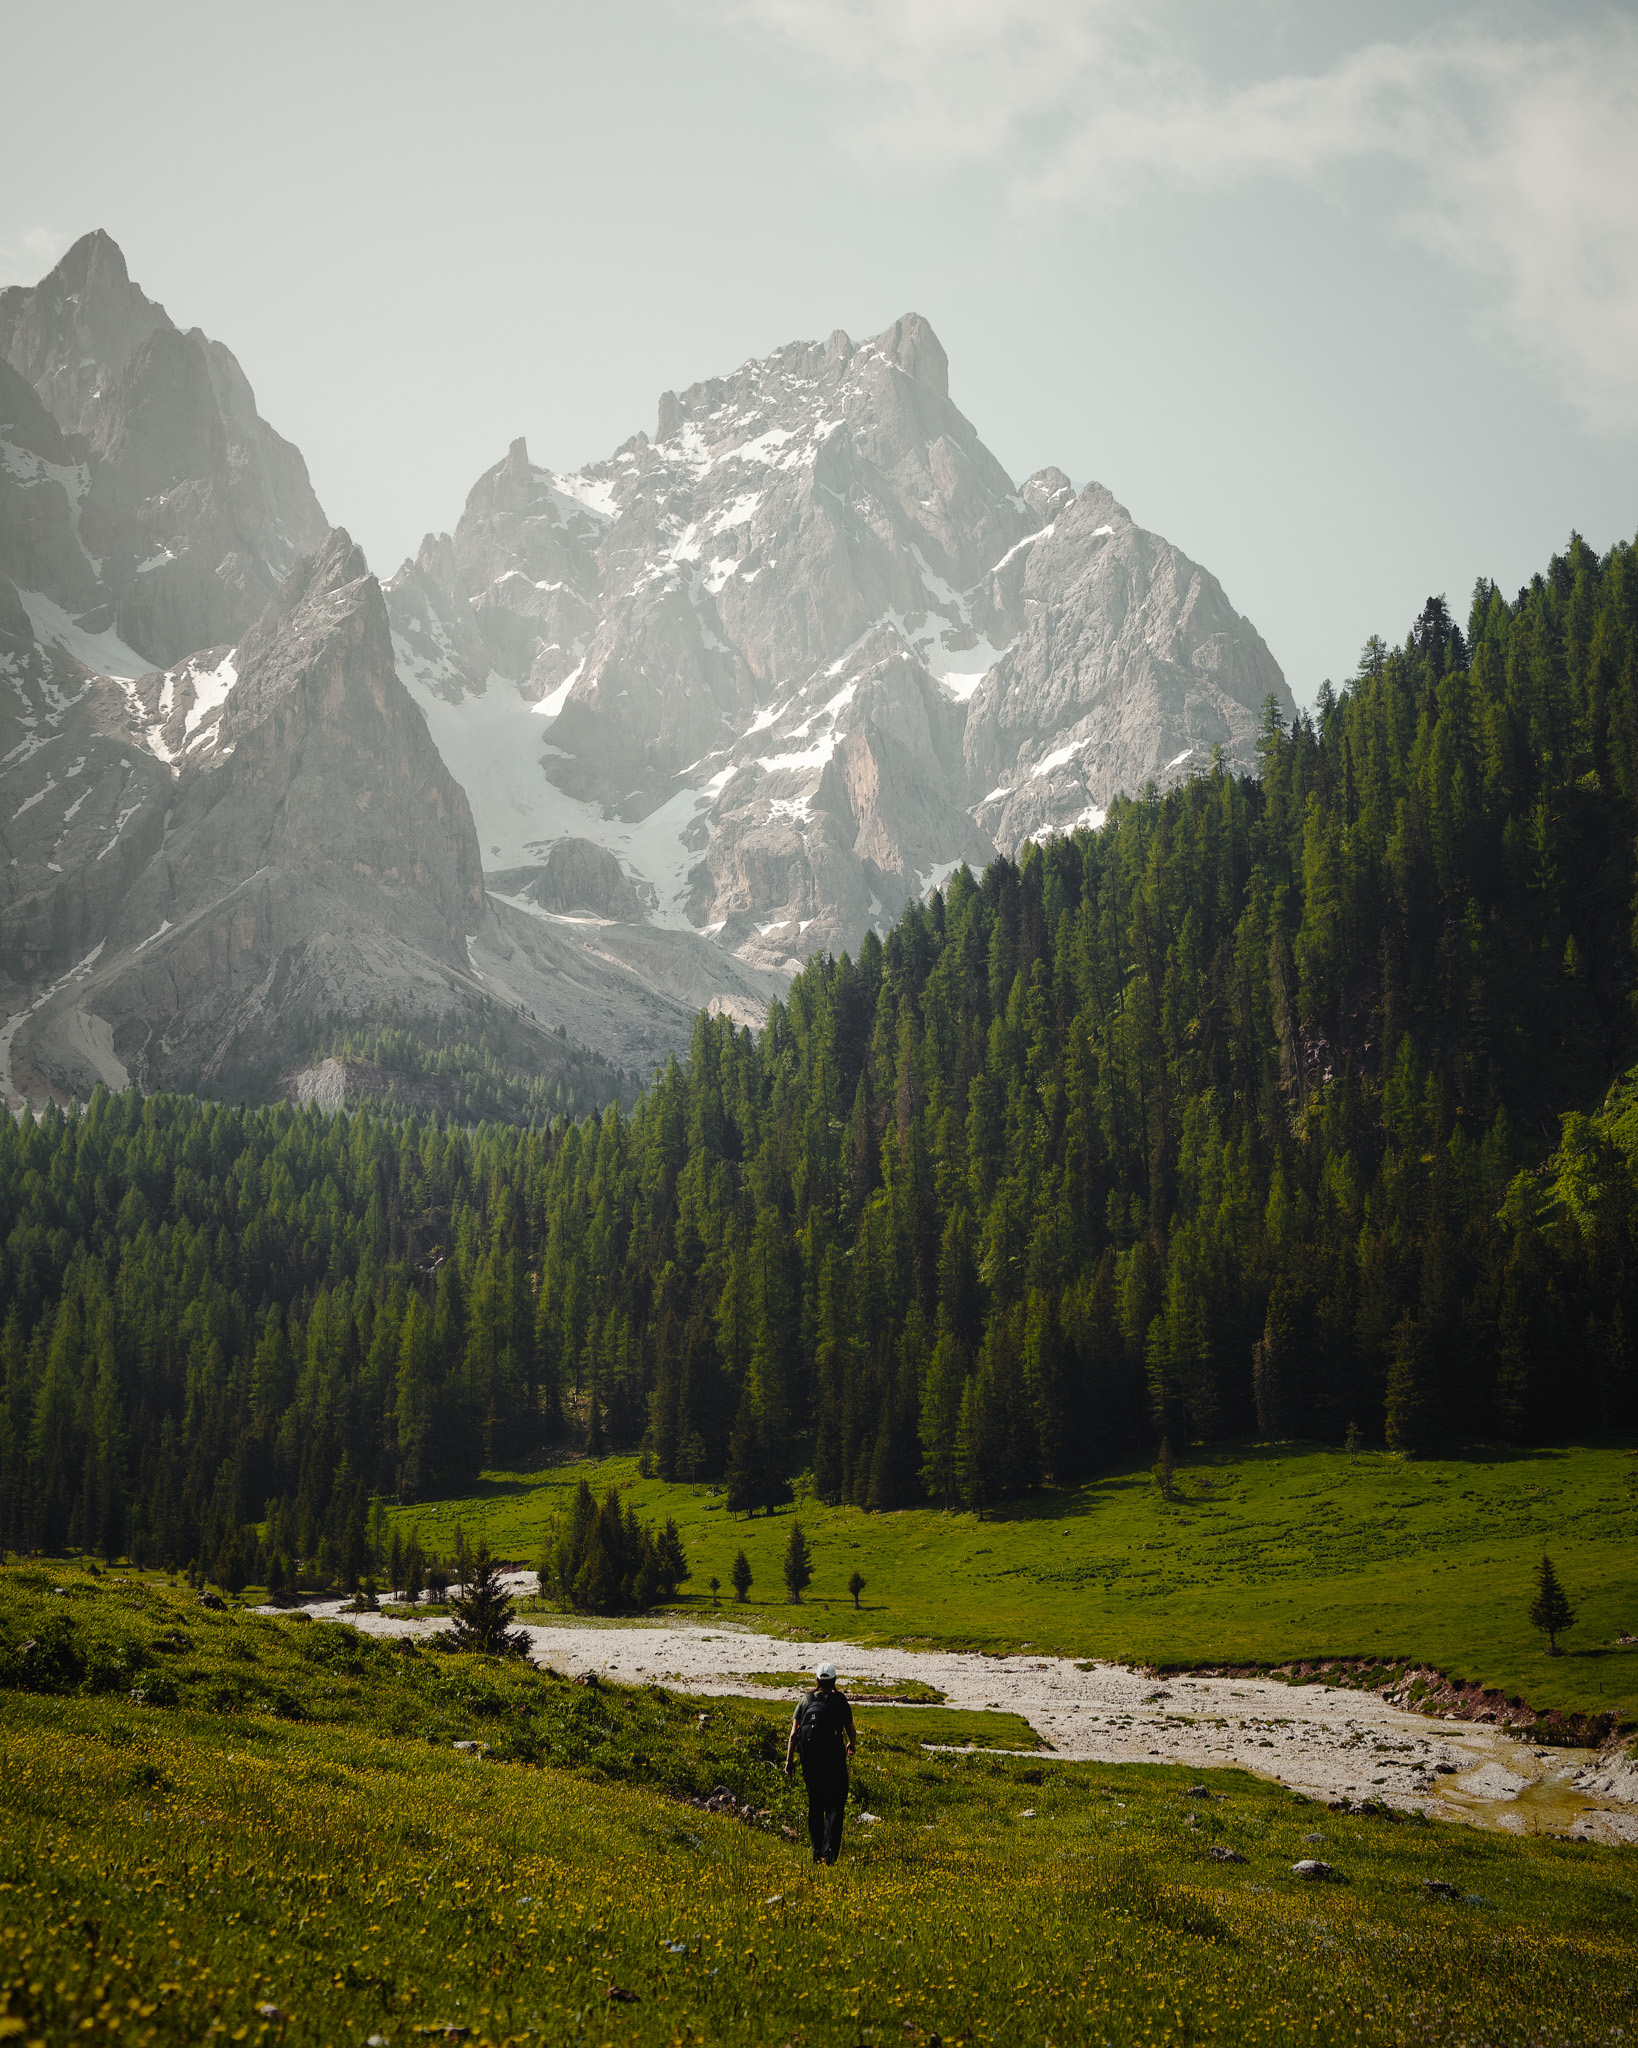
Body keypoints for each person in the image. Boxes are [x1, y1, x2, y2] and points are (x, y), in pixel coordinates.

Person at [785, 1661, 856, 1865]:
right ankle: (830, 1853)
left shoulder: (805, 1700)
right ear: (834, 1680)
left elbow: (793, 1734)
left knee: (815, 1804)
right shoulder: (840, 1700)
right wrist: (851, 1744)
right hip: (834, 1759)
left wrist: (789, 1761)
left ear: (816, 1680)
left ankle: (816, 1851)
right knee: (835, 1805)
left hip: (810, 1760)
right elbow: (850, 1729)